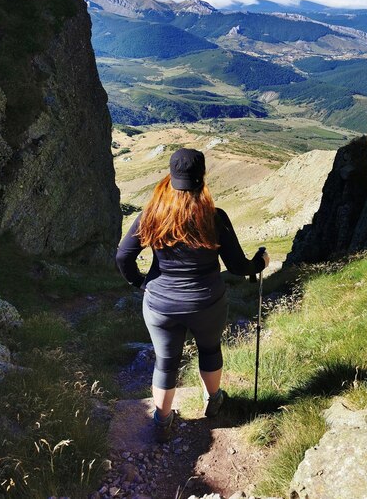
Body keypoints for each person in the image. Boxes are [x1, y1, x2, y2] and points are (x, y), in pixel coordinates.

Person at [115, 147, 270, 441]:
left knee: (165, 360)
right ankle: (213, 402)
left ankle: (162, 421)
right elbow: (237, 266)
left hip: (161, 303)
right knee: (210, 350)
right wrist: (260, 262)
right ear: (202, 178)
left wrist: (141, 283)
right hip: (207, 301)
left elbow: (123, 257)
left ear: (170, 178)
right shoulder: (215, 218)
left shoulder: (151, 215)